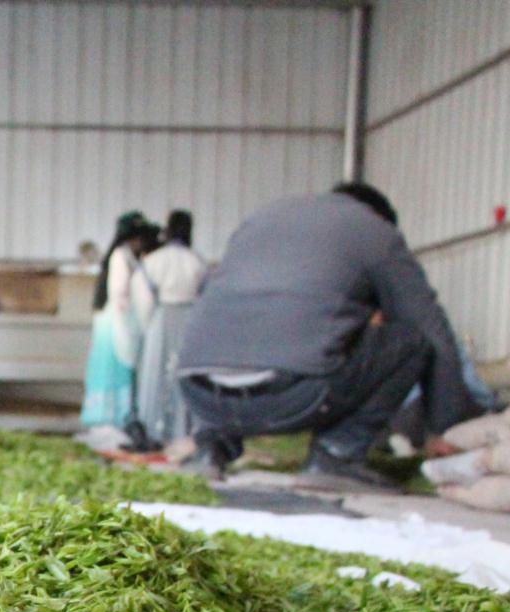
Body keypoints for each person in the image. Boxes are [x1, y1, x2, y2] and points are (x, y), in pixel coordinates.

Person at [176, 183, 479, 489]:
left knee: (232, 341)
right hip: (293, 396)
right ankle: (337, 454)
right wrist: (446, 426)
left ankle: (209, 450)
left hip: (199, 393)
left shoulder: (261, 221)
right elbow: (431, 330)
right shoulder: (374, 229)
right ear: (380, 217)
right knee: (413, 342)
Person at [129, 210, 209, 448]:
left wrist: (148, 324)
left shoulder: (154, 260)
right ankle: (183, 428)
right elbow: (206, 296)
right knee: (183, 372)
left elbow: (142, 298)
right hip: (190, 320)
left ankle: (153, 427)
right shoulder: (197, 261)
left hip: (161, 318)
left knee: (156, 370)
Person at [80, 211, 158, 430]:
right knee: (114, 364)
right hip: (115, 321)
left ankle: (123, 412)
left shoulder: (131, 257)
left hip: (123, 319)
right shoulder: (120, 257)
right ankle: (109, 413)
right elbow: (119, 292)